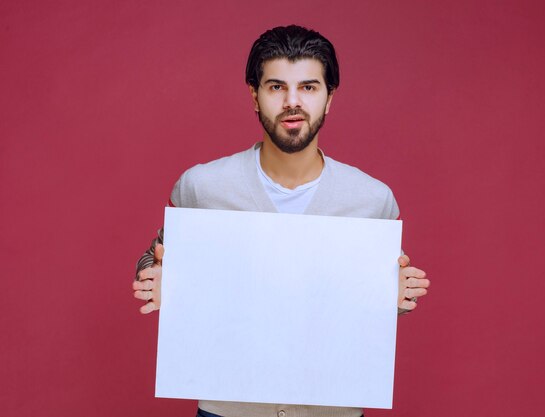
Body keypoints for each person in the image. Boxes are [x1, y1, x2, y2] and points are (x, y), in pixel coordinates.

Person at [132, 25, 430, 417]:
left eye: (308, 87)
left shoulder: (372, 199)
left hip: (331, 409)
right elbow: (154, 258)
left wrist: (400, 295)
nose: (293, 102)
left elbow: (380, 298)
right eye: (276, 87)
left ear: (329, 98)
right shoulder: (202, 186)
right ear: (255, 96)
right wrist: (153, 276)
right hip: (229, 408)